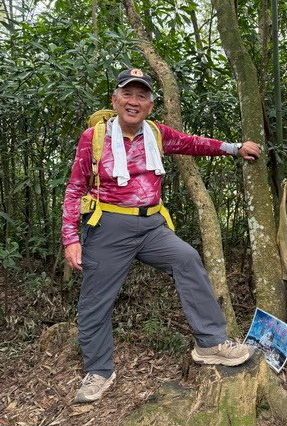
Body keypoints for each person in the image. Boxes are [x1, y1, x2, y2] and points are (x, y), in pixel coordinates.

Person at [62, 67, 261, 403]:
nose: (134, 101)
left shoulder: (155, 134)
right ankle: (98, 371)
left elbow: (191, 143)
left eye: (141, 96)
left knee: (186, 258)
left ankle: (210, 342)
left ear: (150, 105)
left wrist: (233, 147)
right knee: (95, 301)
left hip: (152, 225)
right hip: (108, 226)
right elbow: (75, 186)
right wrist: (70, 237)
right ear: (115, 99)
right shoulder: (94, 137)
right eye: (128, 94)